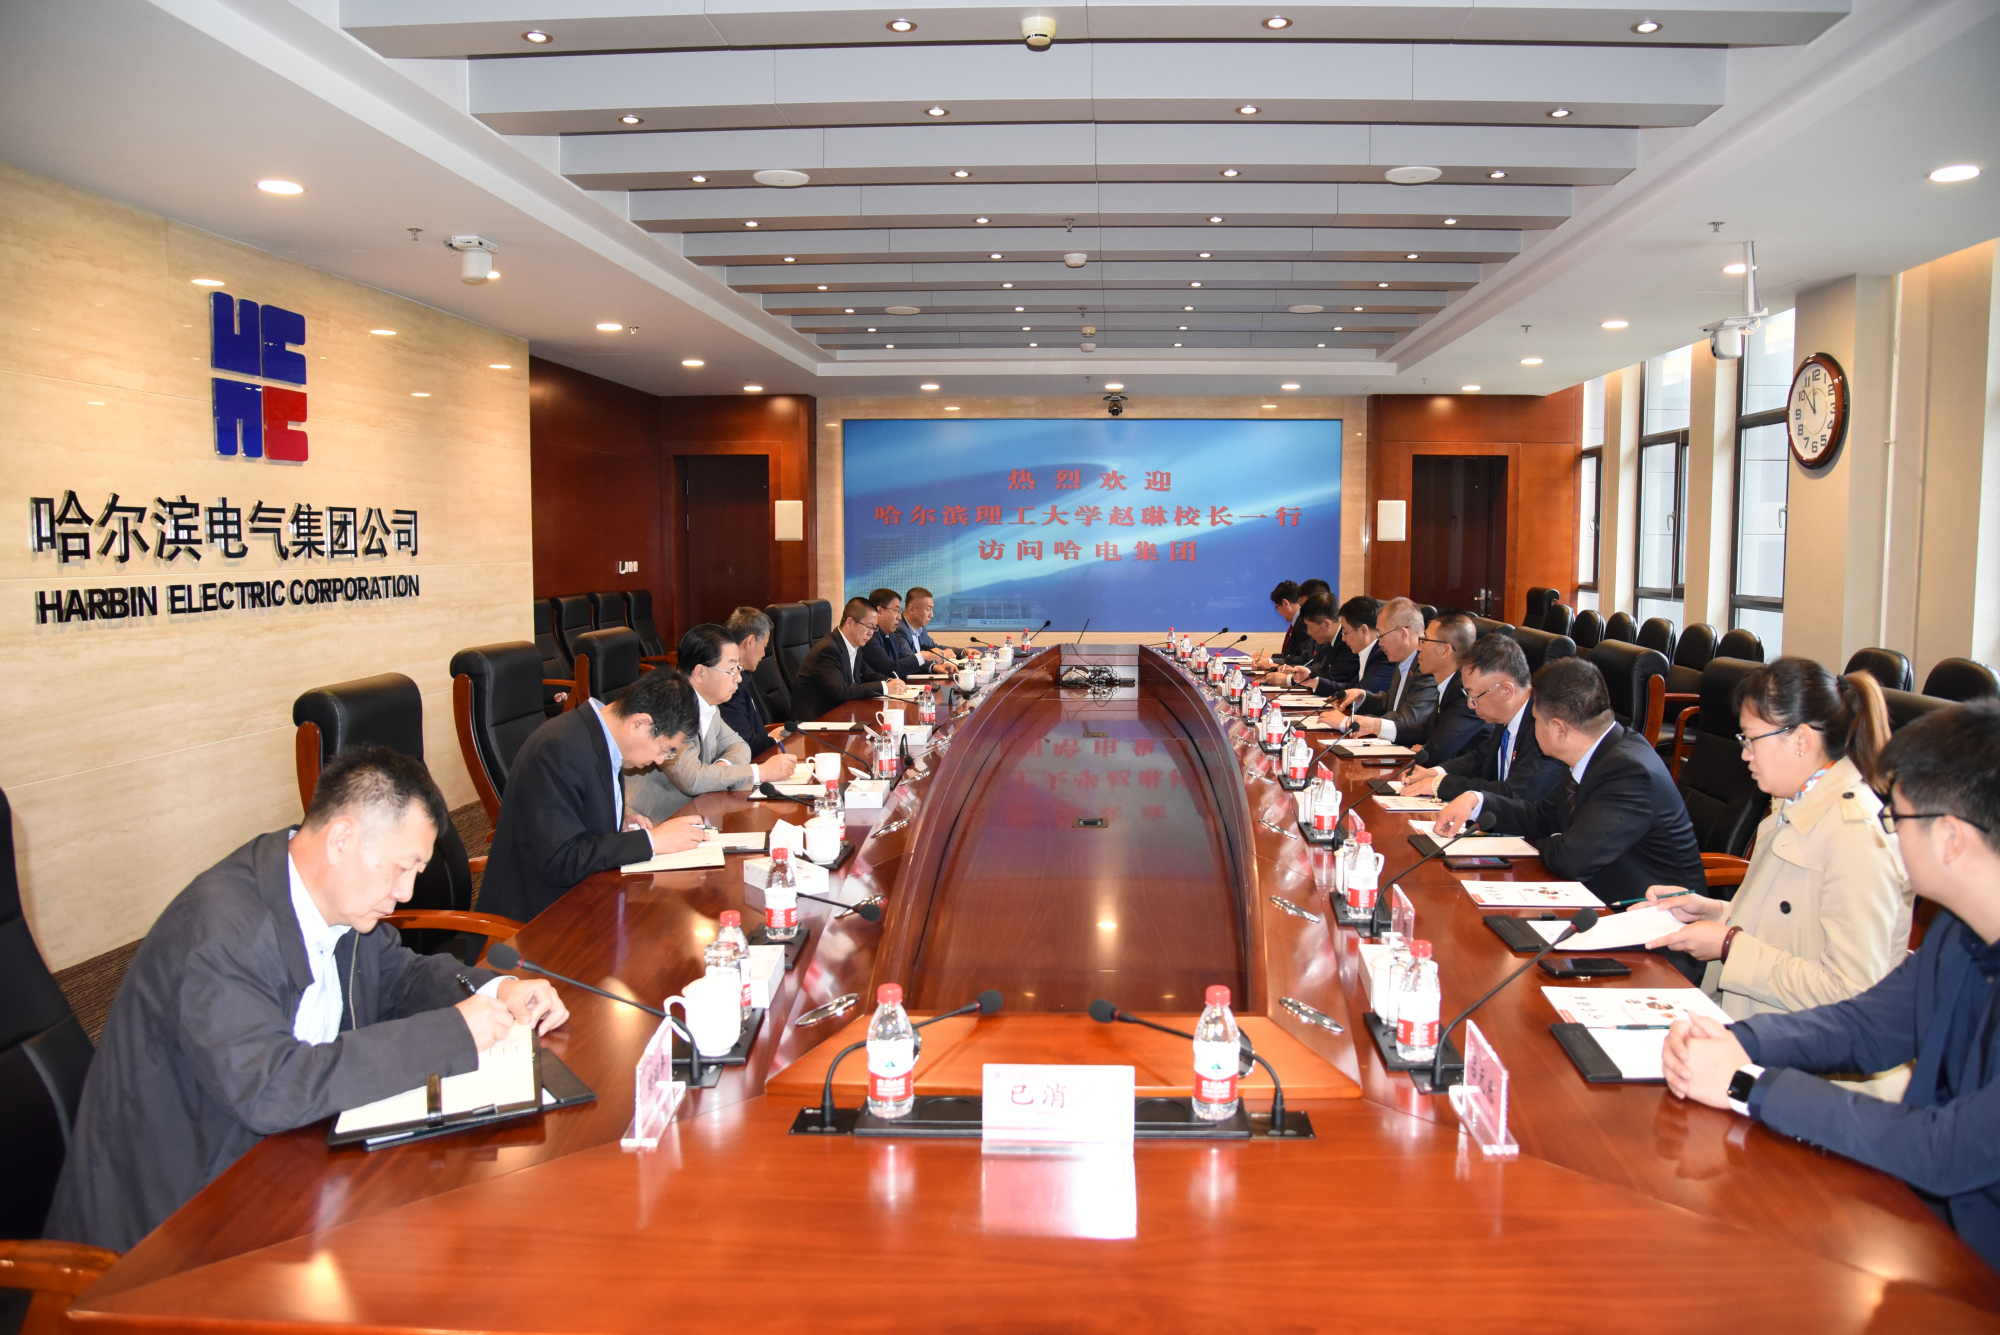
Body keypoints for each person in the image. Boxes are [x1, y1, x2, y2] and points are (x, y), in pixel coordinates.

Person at [44, 747, 569, 1252]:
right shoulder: (220, 933)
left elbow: (401, 978)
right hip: (168, 1227)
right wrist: (454, 1033)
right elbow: (271, 1086)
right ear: (342, 839)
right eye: (402, 867)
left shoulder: (336, 901)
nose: (406, 893)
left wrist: (498, 989)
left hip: (281, 1163)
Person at [1662, 701, 2000, 1274]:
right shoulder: (1960, 931)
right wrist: (1739, 1041)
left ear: (1950, 837)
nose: (1889, 835)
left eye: (1897, 819)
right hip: (1921, 1226)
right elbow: (1866, 1026)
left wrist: (1748, 1085)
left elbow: (1946, 1150)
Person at [1639, 660, 1910, 1027]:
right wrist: (1711, 912)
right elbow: (1789, 925)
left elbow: (1853, 991)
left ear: (1801, 740)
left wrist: (1729, 945)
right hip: (1758, 1022)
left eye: (1751, 739)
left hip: (1805, 1048)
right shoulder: (1795, 804)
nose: (1745, 754)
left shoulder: (1856, 835)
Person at [1431, 656, 1705, 906]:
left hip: (1647, 918)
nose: (1532, 728)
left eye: (1535, 720)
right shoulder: (1592, 751)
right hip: (1592, 899)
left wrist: (1549, 841)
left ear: (1559, 729)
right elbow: (1545, 815)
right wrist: (1476, 801)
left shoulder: (1630, 773)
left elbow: (1571, 859)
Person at [479, 667, 705, 922]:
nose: (661, 759)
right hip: (536, 919)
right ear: (639, 723)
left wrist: (613, 820)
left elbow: (569, 815)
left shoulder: (600, 739)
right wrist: (650, 842)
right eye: (666, 748)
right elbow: (560, 861)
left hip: (585, 896)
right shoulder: (559, 749)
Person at [627, 625, 800, 822]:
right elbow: (692, 779)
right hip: (650, 822)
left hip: (696, 813)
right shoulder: (672, 707)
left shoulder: (709, 706)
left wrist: (720, 770)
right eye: (731, 670)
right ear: (700, 672)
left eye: (738, 669)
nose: (738, 678)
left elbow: (740, 746)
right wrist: (761, 772)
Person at [1402, 633, 1565, 804]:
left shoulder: (1544, 727)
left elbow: (1514, 793)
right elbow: (1481, 757)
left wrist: (1440, 784)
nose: (1470, 705)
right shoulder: (1506, 716)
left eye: (1474, 695)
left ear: (1506, 691)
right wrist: (1435, 773)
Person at [1313, 597, 1437, 738]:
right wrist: (1362, 696)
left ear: (1403, 634)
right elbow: (1391, 701)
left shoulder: (1427, 668)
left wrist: (1350, 722)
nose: (1379, 642)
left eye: (1381, 635)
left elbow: (1409, 721)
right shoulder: (1402, 661)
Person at [790, 597, 915, 724]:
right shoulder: (828, 650)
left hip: (842, 715)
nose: (871, 633)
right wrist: (884, 687)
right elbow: (841, 691)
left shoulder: (854, 645)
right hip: (818, 722)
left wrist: (892, 682)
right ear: (850, 622)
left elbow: (868, 674)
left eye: (874, 628)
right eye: (869, 626)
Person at [1402, 612, 1490, 761]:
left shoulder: (1464, 692)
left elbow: (1437, 753)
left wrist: (1424, 748)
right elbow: (1427, 730)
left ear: (1445, 651)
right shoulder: (1449, 683)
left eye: (1425, 640)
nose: (1418, 647)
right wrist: (1377, 726)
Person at [718, 606, 787, 763]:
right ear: (749, 642)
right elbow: (745, 742)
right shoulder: (730, 685)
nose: (763, 654)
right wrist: (773, 740)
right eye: (764, 646)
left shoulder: (744, 674)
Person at [863, 587, 927, 678]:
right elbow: (890, 669)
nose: (899, 617)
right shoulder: (869, 637)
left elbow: (905, 661)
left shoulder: (892, 635)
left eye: (900, 611)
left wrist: (933, 667)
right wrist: (923, 656)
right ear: (879, 611)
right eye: (896, 610)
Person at [1251, 580, 1310, 669]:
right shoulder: (1297, 621)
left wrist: (1270, 661)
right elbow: (1291, 655)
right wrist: (1272, 657)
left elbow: (1301, 658)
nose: (1278, 612)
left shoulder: (1304, 623)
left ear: (1285, 603)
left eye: (1277, 608)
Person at [896, 586, 960, 664]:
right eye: (928, 609)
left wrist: (963, 651)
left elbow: (933, 647)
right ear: (912, 609)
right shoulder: (899, 629)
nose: (931, 615)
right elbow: (910, 661)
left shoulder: (921, 629)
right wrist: (943, 656)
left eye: (932, 609)